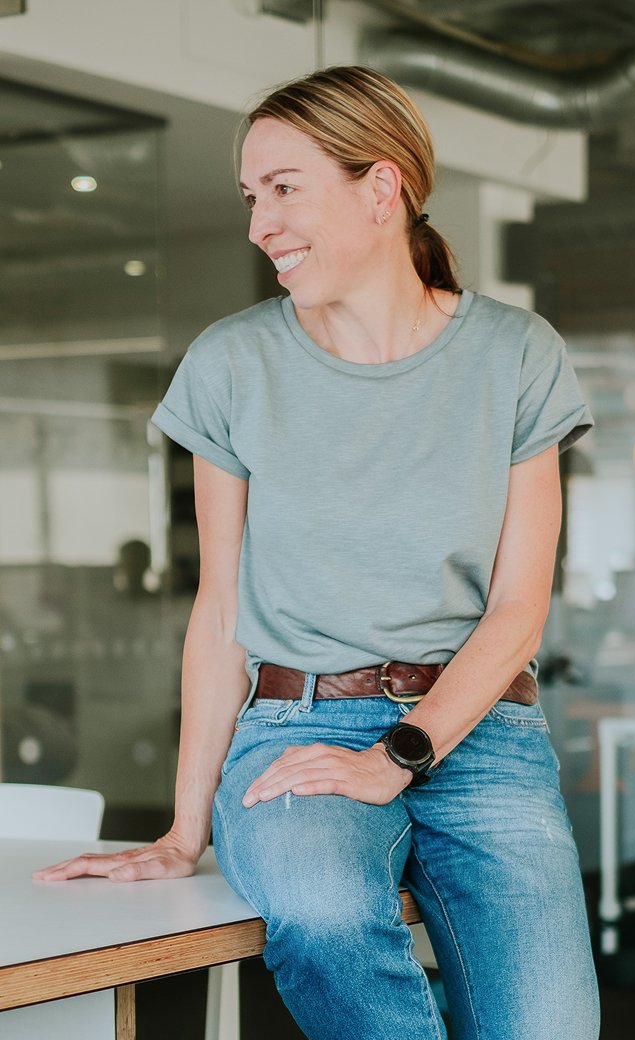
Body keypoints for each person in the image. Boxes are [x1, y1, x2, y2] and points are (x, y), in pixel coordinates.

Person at [34, 65, 600, 1039]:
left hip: (479, 733)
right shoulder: (231, 362)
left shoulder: (516, 353)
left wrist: (402, 750)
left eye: (285, 188)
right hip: (299, 722)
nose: (260, 223)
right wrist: (182, 826)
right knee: (328, 916)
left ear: (381, 188)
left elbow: (519, 608)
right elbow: (219, 609)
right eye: (253, 196)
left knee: (549, 1024)